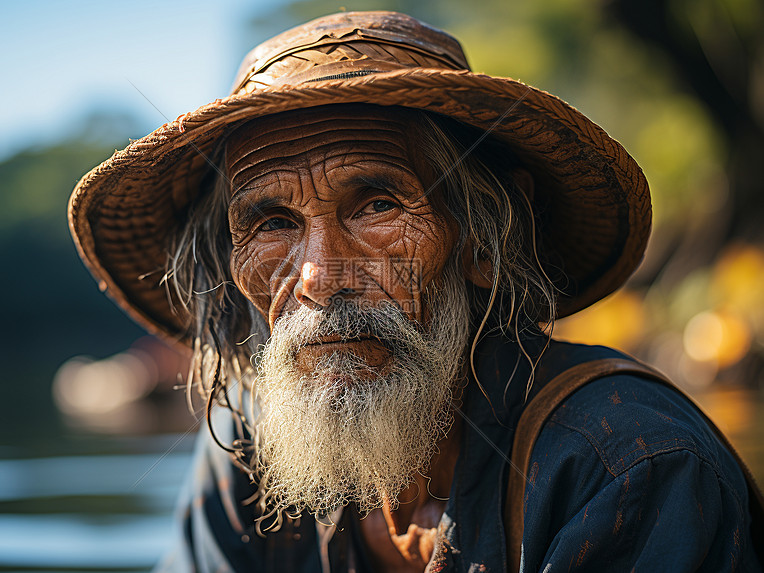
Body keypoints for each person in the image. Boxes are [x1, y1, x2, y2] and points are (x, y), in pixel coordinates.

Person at [68, 11, 762, 572]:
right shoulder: (249, 445)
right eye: (272, 222)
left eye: (376, 205)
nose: (318, 275)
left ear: (484, 240)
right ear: (232, 265)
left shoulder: (633, 466)